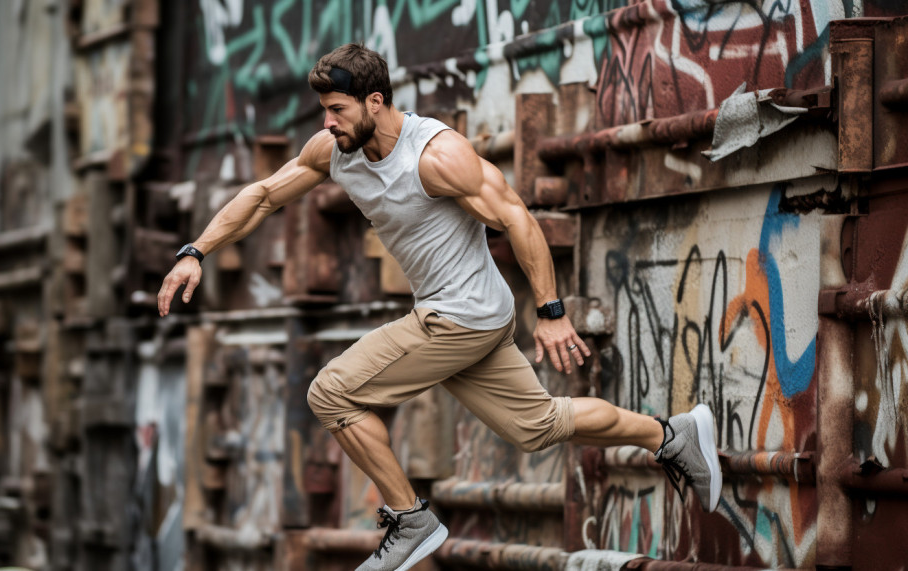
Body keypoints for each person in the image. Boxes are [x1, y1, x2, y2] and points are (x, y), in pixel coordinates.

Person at [158, 43, 722, 571]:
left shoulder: (435, 156)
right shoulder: (335, 151)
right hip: (471, 316)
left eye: (336, 110)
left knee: (330, 392)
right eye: (323, 111)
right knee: (540, 426)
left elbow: (516, 216)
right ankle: (673, 435)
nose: (326, 122)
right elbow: (261, 195)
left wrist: (551, 311)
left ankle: (411, 520)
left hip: (459, 316)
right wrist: (195, 251)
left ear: (374, 103)